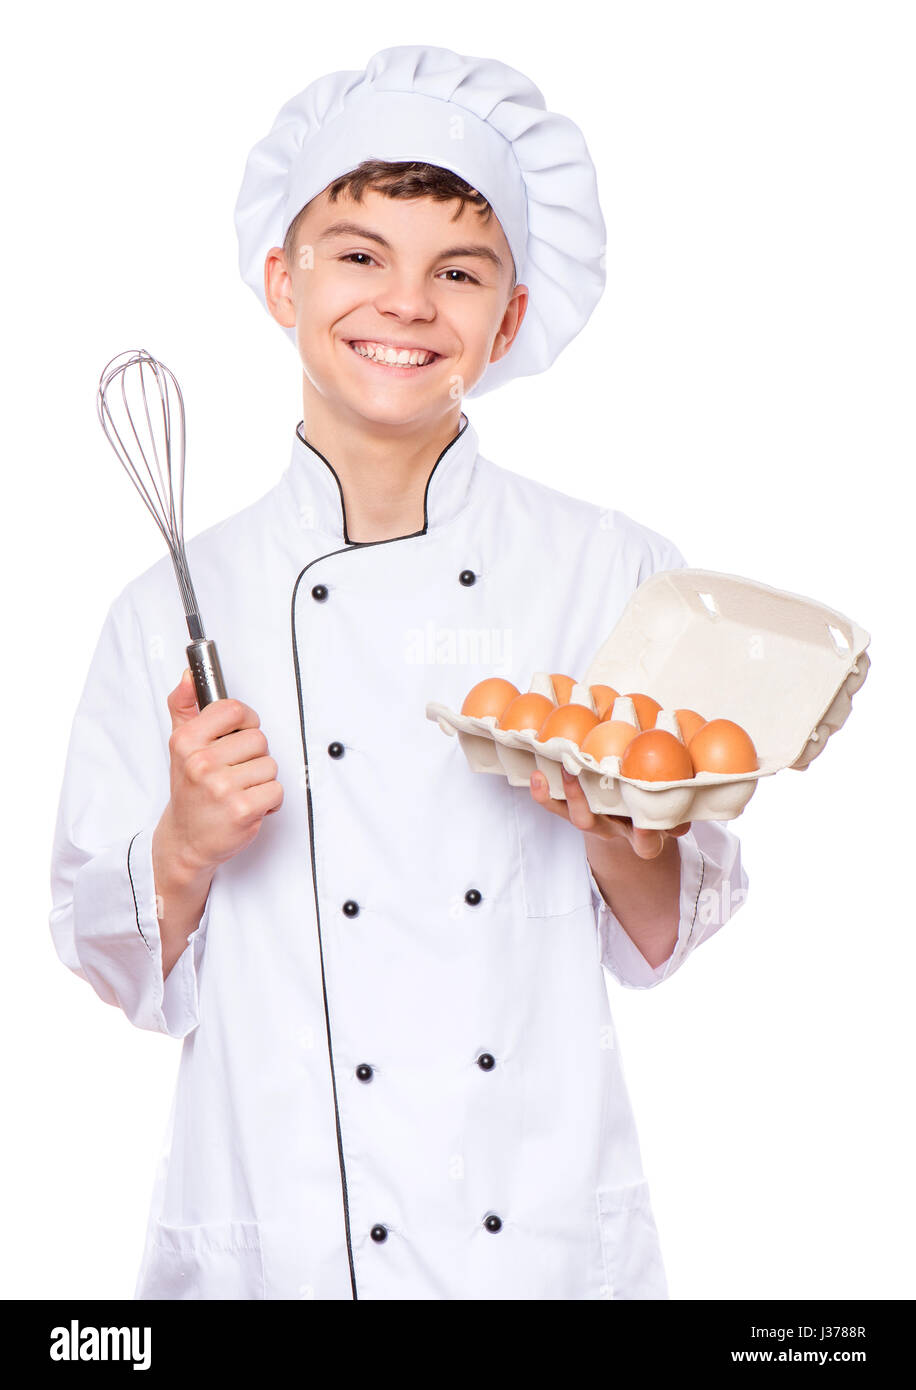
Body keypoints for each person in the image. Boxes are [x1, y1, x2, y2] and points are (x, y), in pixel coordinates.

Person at [49, 44, 748, 1301]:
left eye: (459, 270)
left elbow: (661, 936)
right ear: (282, 276)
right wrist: (186, 842)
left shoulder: (613, 574)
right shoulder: (166, 610)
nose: (408, 303)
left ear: (511, 317)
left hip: (532, 1250)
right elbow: (107, 960)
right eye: (361, 253)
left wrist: (616, 832)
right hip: (278, 1236)